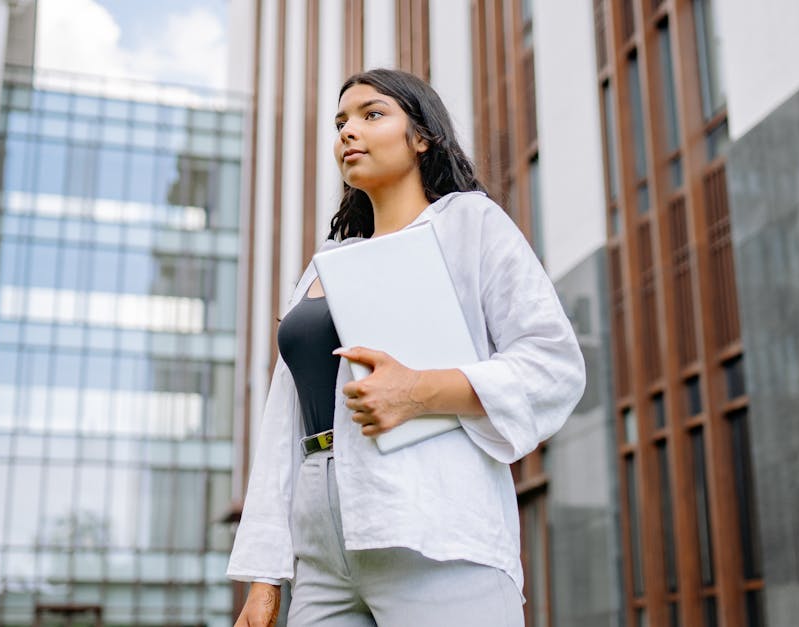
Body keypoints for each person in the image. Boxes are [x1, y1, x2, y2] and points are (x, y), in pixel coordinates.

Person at [228, 68, 585, 627]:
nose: (348, 131)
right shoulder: (326, 264)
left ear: (421, 136)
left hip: (433, 530)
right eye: (341, 121)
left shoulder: (471, 224)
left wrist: (417, 392)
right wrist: (263, 575)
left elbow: (553, 364)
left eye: (372, 115)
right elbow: (282, 425)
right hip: (321, 547)